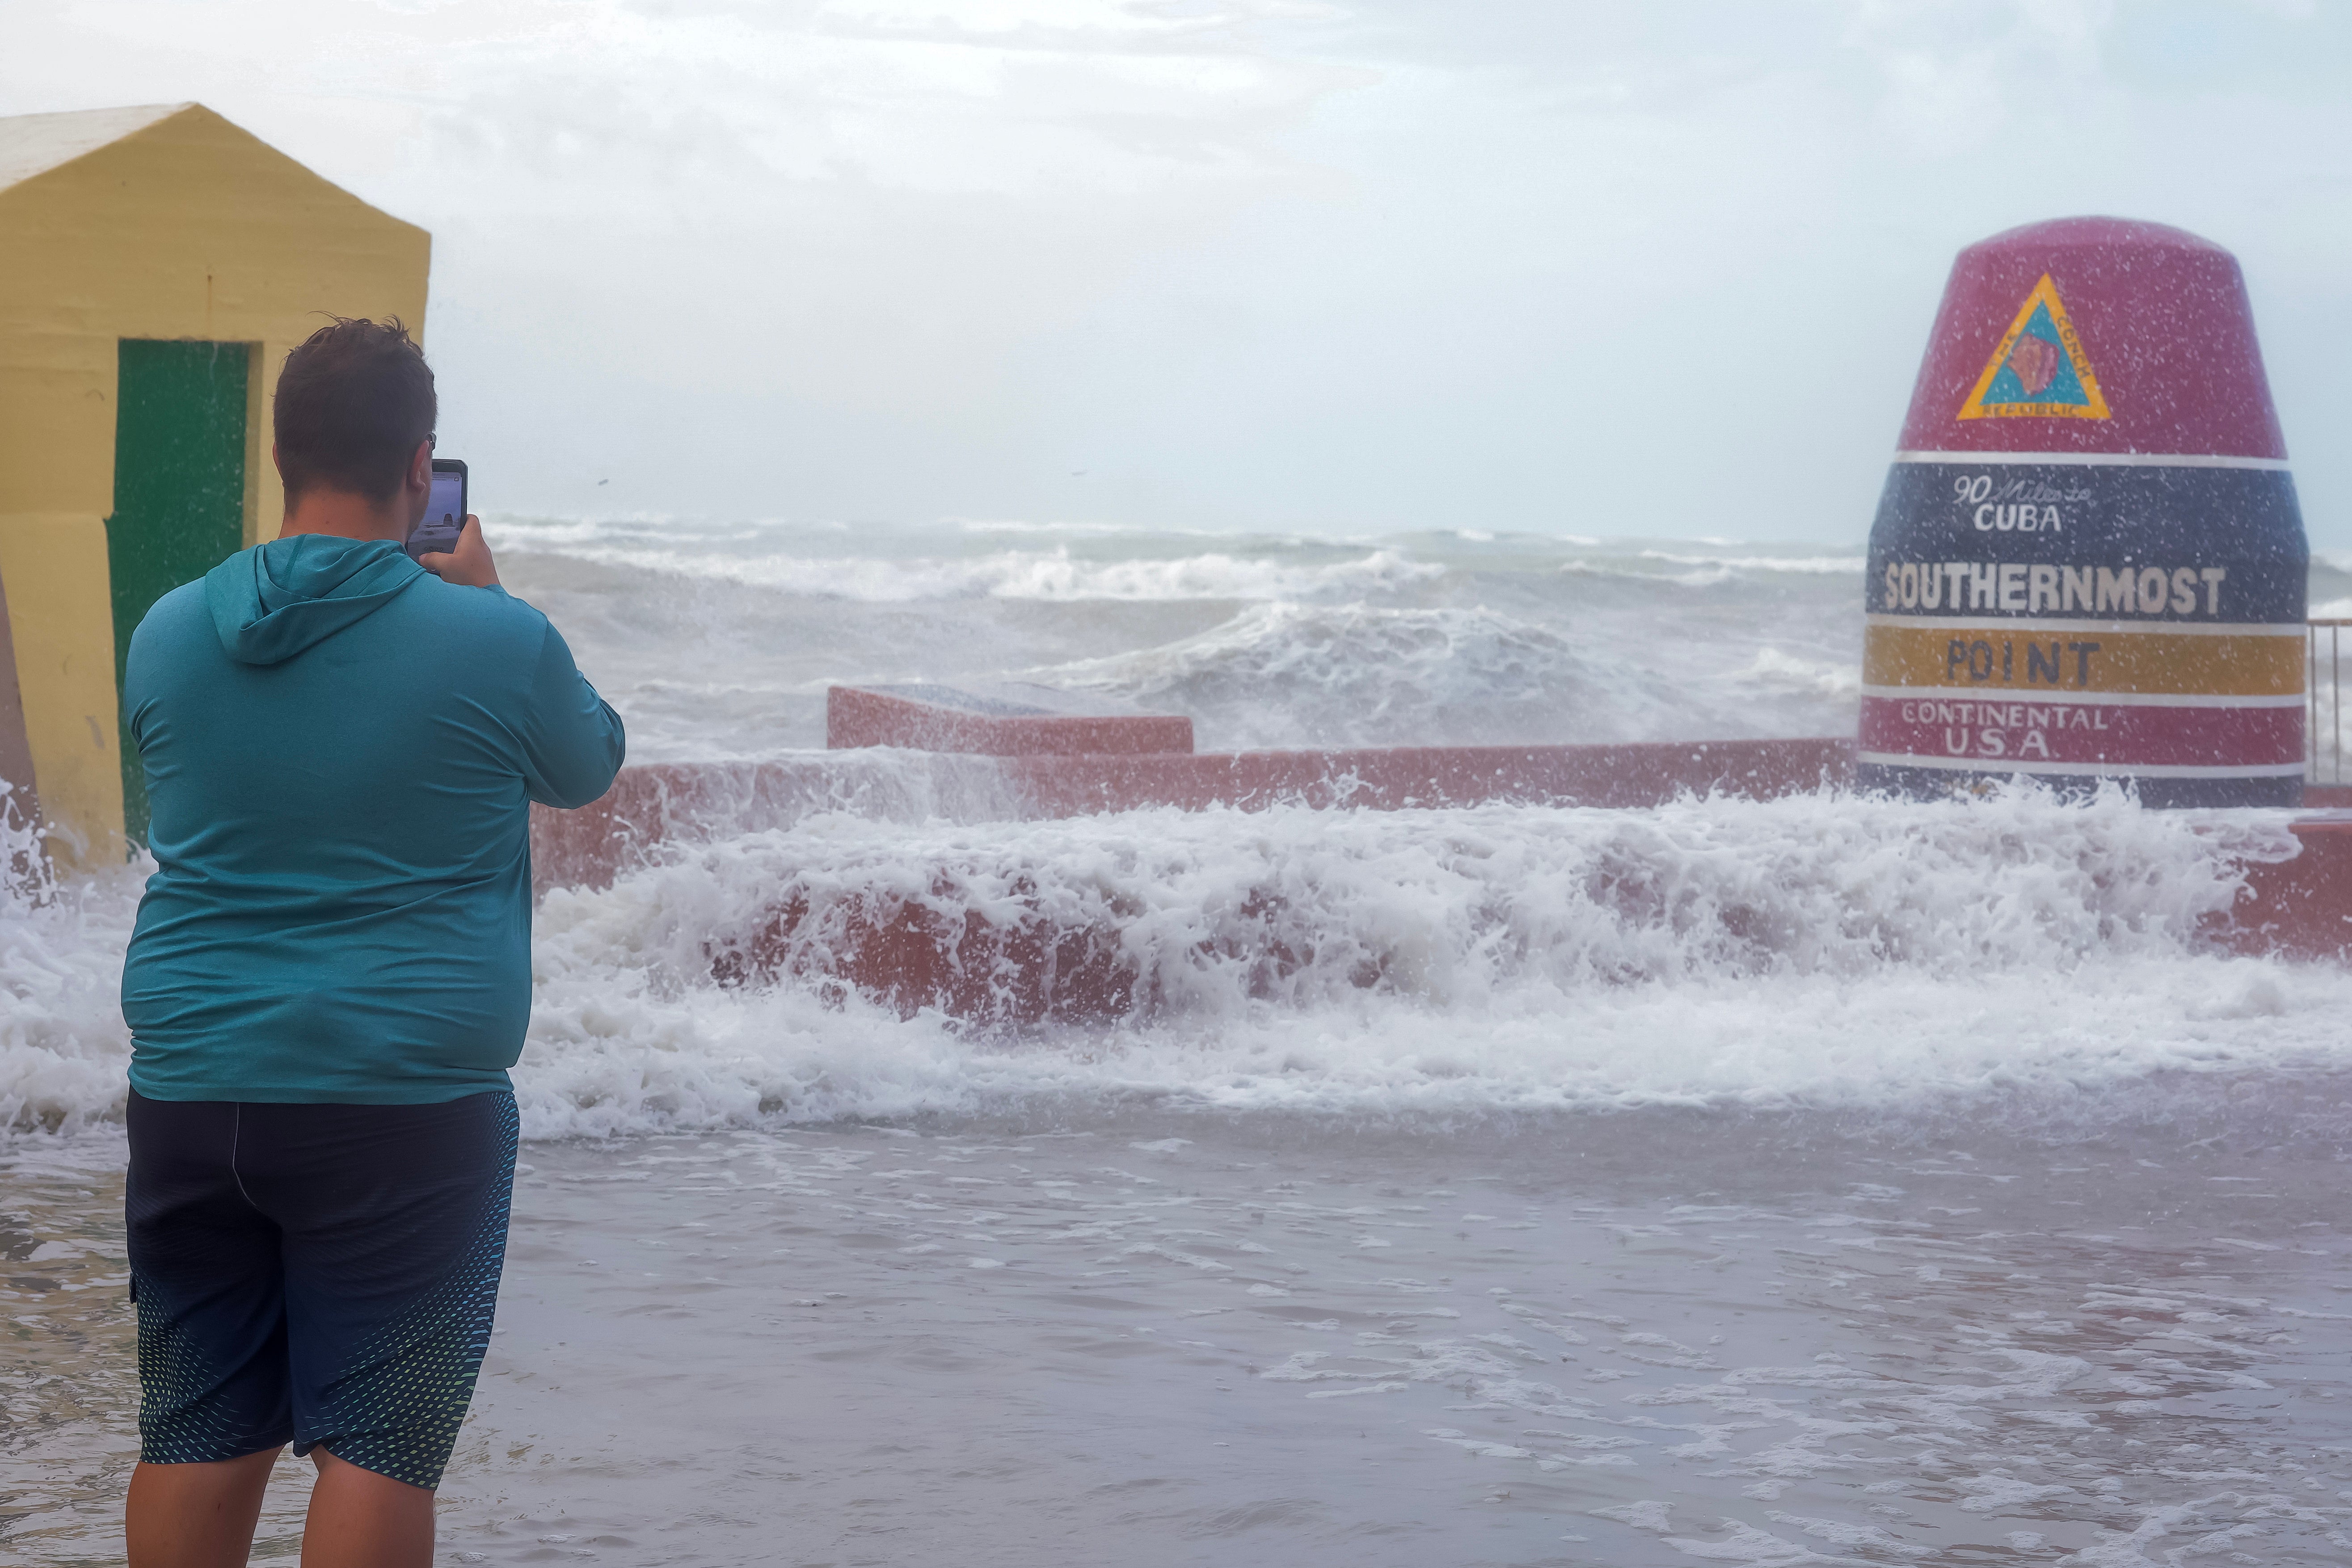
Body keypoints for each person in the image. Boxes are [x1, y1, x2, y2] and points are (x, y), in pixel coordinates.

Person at [116, 318, 625, 1568]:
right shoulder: (494, 641)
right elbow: (587, 763)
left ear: (279, 457)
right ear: (422, 467)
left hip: (191, 1086)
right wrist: (488, 594)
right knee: (379, 1448)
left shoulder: (169, 630)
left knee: (198, 1429)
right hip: (402, 1097)